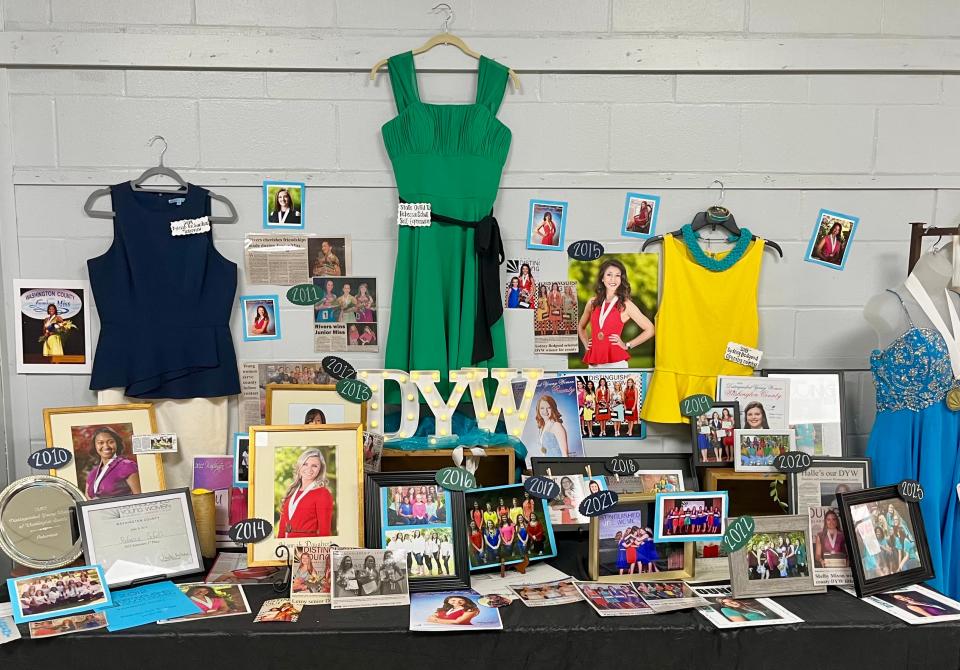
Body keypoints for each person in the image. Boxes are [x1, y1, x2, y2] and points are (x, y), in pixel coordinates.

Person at [579, 259, 655, 368]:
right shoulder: (592, 303)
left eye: (617, 275)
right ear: (602, 278)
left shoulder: (626, 305)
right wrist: (587, 345)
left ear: (621, 279)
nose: (613, 279)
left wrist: (627, 345)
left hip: (616, 363)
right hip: (594, 363)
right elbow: (581, 327)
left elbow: (650, 329)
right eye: (609, 275)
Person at [277, 448, 334, 538]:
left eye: (314, 466)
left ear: (320, 469)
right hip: (286, 547)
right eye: (305, 464)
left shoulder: (323, 493)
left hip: (306, 547)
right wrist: (279, 546)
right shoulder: (291, 491)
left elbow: (325, 532)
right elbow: (282, 527)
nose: (309, 469)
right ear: (299, 466)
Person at [84, 427, 140, 499]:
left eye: (111, 442)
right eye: (100, 443)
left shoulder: (127, 466)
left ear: (117, 443)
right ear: (95, 446)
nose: (106, 446)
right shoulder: (92, 474)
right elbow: (87, 499)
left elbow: (139, 497)